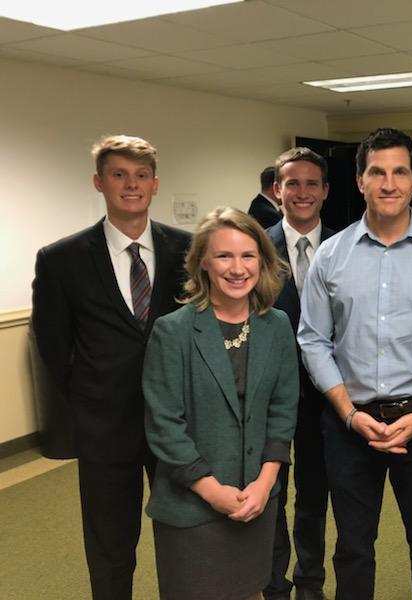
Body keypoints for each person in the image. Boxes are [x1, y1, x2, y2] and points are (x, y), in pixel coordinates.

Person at [298, 128, 412, 600]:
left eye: (400, 172)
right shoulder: (331, 256)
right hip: (348, 423)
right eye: (378, 172)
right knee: (353, 547)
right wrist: (349, 414)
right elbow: (313, 339)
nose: (389, 183)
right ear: (360, 181)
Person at [30, 135, 191, 600]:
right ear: (99, 182)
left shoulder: (188, 249)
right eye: (119, 175)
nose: (131, 185)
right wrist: (89, 403)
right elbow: (53, 348)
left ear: (155, 184)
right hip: (105, 429)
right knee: (110, 547)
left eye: (141, 176)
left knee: (183, 538)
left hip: (176, 424)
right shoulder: (62, 259)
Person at [142, 207, 299, 600]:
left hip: (255, 502)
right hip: (193, 508)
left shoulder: (276, 324)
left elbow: (282, 411)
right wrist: (213, 491)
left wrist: (265, 484)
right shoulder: (172, 331)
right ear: (202, 264)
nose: (237, 268)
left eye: (248, 255)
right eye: (224, 256)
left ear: (262, 261)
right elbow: (165, 424)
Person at [265, 147, 335, 600]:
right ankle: (273, 582)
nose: (302, 192)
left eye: (312, 183)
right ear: (277, 190)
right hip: (267, 395)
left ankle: (310, 579)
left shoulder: (348, 245)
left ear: (326, 191)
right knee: (269, 492)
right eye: (293, 183)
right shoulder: (253, 246)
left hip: (327, 396)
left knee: (314, 495)